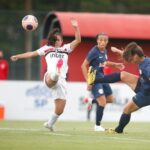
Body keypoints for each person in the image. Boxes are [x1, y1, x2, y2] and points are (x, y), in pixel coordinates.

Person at [10, 18, 81, 131]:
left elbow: (77, 40)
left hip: (62, 81)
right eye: (57, 39)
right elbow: (31, 53)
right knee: (53, 76)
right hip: (49, 76)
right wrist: (18, 56)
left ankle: (49, 124)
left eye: (60, 39)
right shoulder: (47, 49)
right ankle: (55, 75)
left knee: (60, 110)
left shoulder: (65, 49)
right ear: (52, 40)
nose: (59, 41)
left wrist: (76, 27)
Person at [87, 41, 150, 133]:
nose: (130, 60)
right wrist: (117, 50)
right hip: (143, 84)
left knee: (126, 110)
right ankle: (94, 79)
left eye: (131, 58)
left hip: (146, 94)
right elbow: (128, 55)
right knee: (123, 75)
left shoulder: (147, 66)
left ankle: (118, 130)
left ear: (136, 56)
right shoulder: (143, 59)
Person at [81, 32, 124, 131]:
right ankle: (97, 126)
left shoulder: (104, 50)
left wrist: (115, 65)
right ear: (97, 41)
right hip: (94, 76)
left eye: (105, 40)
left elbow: (104, 62)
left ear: (107, 42)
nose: (102, 42)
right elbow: (83, 65)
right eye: (100, 40)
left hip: (102, 76)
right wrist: (88, 81)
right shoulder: (94, 51)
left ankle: (91, 101)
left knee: (110, 99)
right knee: (103, 102)